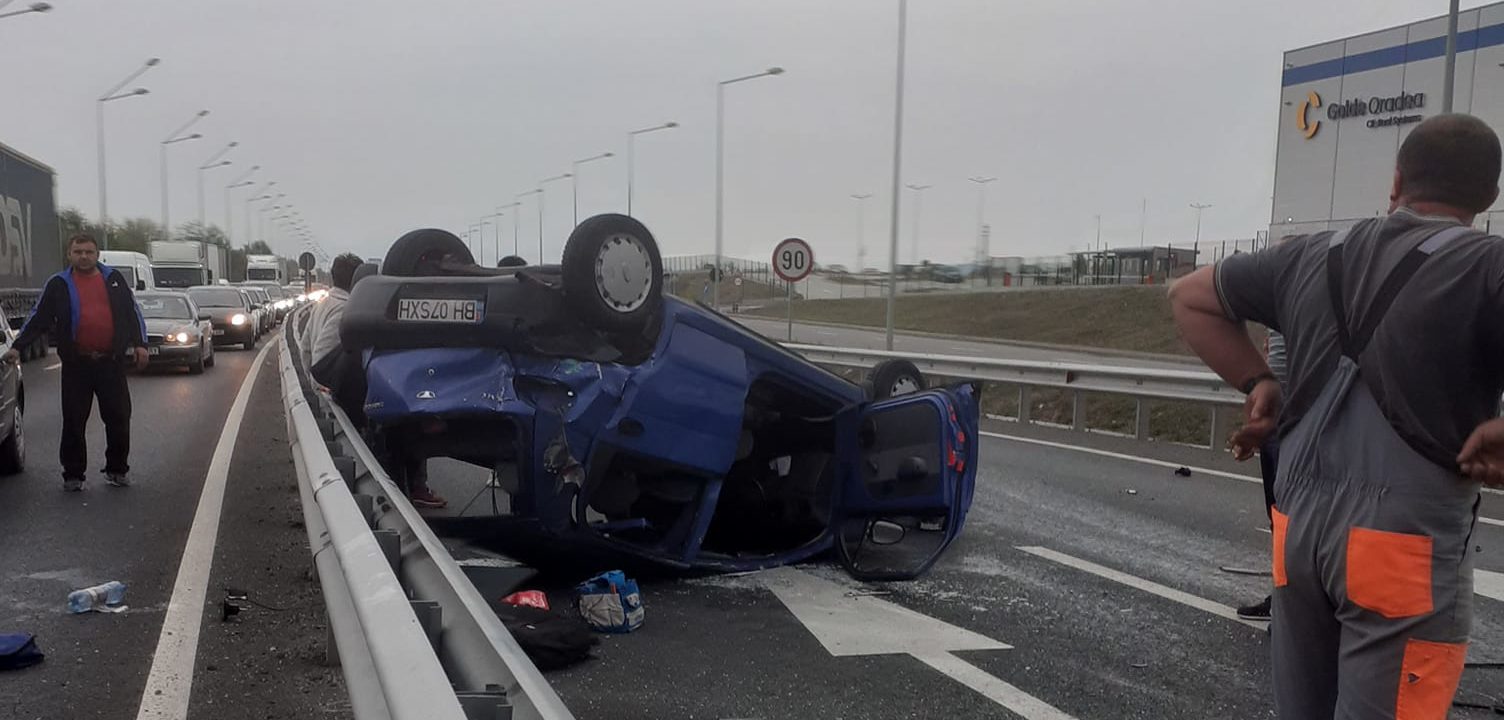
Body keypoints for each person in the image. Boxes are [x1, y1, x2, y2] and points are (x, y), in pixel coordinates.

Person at [1170, 113, 1504, 718]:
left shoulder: (1308, 254)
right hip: (1404, 547)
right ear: (1489, 195)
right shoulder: (1487, 264)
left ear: (1396, 180)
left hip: (1298, 532)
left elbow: (1189, 296)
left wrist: (1260, 381)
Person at [4, 234, 148, 491]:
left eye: (89, 252)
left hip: (110, 363)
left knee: (118, 417)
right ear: (69, 254)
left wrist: (141, 344)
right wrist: (17, 347)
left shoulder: (113, 279)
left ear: (97, 254)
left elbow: (132, 312)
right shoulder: (58, 284)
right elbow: (39, 317)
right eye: (78, 252)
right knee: (73, 420)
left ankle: (117, 469)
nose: (84, 257)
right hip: (76, 365)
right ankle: (73, 474)